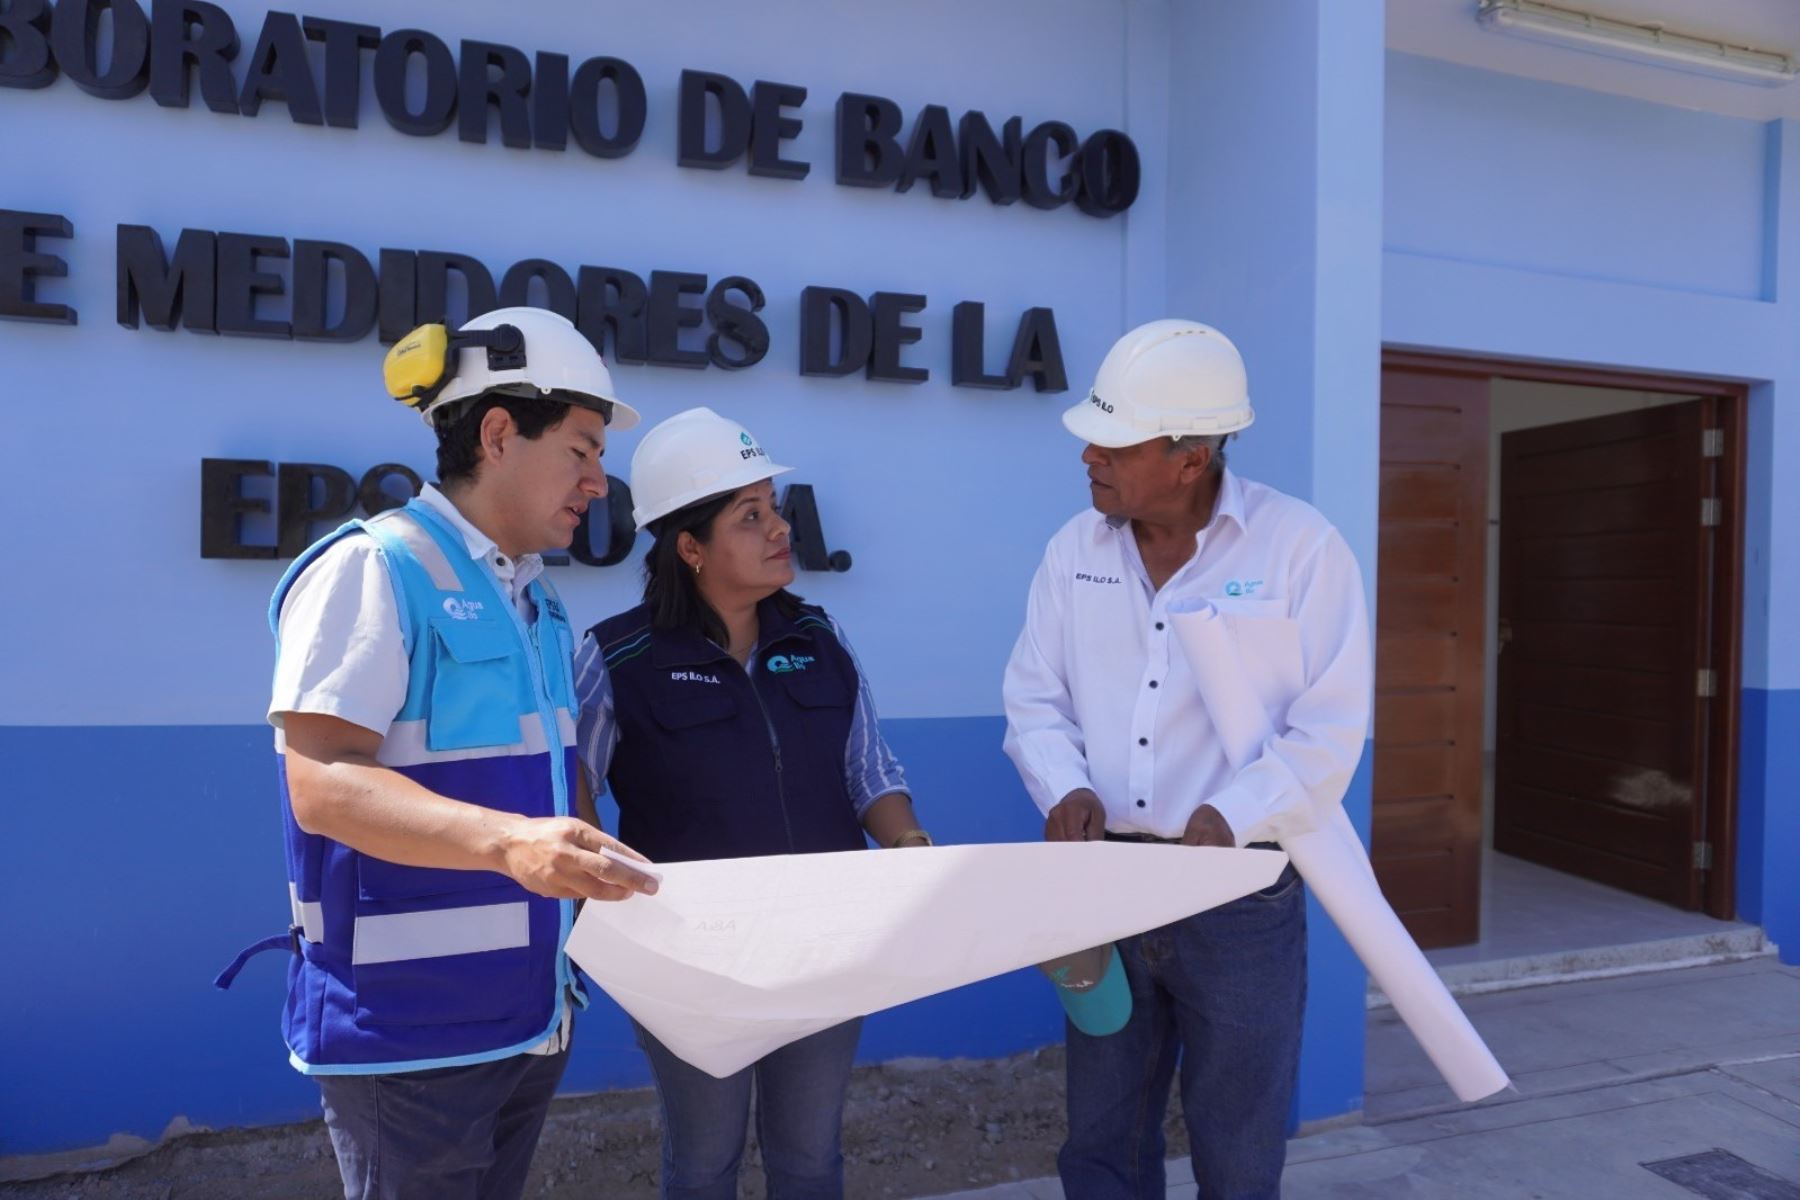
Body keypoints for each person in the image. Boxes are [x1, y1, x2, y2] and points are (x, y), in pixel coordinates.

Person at [217, 306, 660, 1200]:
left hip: (526, 1018)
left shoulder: (537, 602)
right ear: (500, 433)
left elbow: (552, 778)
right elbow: (324, 784)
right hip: (407, 1036)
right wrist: (509, 843)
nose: (600, 482)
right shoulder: (375, 569)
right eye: (582, 450)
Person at [1001, 319, 1372, 1199]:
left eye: (1115, 440)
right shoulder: (1072, 552)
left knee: (1238, 1144)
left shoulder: (1301, 551)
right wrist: (1067, 785)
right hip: (1107, 885)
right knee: (1101, 1137)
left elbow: (1330, 727)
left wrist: (1235, 815)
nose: (1089, 453)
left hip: (1239, 894)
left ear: (1190, 458)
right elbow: (1033, 696)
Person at [574, 406, 930, 1199]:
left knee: (810, 1157)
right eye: (751, 515)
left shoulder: (820, 637)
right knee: (704, 1160)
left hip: (827, 945)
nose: (779, 528)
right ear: (690, 548)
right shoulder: (616, 656)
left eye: (774, 507)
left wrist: (908, 845)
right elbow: (575, 788)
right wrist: (613, 910)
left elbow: (869, 770)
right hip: (693, 955)